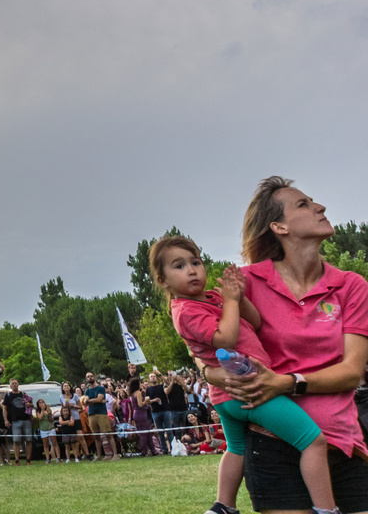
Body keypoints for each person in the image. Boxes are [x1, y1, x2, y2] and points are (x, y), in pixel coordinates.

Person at [209, 179, 368, 514]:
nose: (320, 207)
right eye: (304, 204)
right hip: (272, 448)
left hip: (344, 446)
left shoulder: (351, 286)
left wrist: (285, 383)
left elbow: (352, 372)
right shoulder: (245, 282)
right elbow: (208, 342)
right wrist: (214, 373)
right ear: (278, 226)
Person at [159, 231, 338, 514]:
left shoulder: (213, 298)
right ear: (163, 280)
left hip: (228, 395)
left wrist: (238, 298)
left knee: (237, 448)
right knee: (313, 441)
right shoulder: (185, 310)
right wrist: (229, 302)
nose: (191, 271)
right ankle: (327, 509)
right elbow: (226, 338)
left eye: (195, 262)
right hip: (251, 389)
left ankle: (223, 505)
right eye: (178, 266)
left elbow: (254, 322)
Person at [82, 372, 116, 459]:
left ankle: (115, 454)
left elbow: (100, 399)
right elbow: (85, 402)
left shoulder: (100, 388)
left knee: (108, 434)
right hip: (91, 414)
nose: (90, 378)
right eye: (88, 377)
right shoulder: (87, 391)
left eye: (91, 376)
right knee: (96, 436)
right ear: (86, 379)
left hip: (101, 413)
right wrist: (95, 400)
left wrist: (92, 401)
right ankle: (99, 455)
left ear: (94, 377)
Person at [2, 378, 34, 466]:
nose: (14, 385)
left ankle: (28, 459)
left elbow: (32, 405)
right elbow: (4, 408)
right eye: (13, 383)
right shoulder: (8, 396)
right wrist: (5, 420)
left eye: (16, 383)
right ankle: (17, 460)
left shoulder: (23, 394)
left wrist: (29, 404)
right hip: (15, 421)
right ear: (10, 385)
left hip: (26, 419)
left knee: (28, 440)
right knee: (16, 441)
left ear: (18, 384)